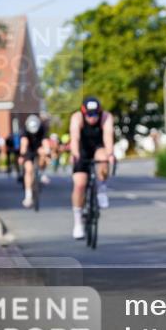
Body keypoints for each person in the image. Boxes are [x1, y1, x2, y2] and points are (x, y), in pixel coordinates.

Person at [68, 96, 115, 239]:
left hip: (98, 146)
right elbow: (74, 138)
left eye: (95, 114)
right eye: (89, 114)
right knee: (80, 184)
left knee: (103, 158)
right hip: (82, 149)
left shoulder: (106, 117)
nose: (92, 118)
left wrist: (110, 153)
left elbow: (108, 136)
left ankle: (101, 188)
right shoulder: (76, 118)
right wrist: (75, 155)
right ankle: (78, 223)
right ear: (83, 112)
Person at [18, 114, 51, 208]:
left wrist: (47, 152)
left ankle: (41, 172)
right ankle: (28, 196)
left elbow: (45, 142)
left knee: (43, 153)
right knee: (28, 170)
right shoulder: (25, 129)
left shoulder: (42, 128)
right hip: (29, 149)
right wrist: (22, 155)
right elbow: (24, 143)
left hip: (38, 147)